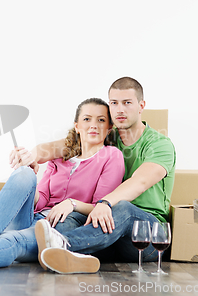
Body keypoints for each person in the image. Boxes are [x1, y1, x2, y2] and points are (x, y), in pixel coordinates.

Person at [0, 97, 124, 271]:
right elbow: (40, 201)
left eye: (101, 120)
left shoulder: (111, 156)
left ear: (108, 128)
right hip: (33, 216)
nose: (93, 125)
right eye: (87, 119)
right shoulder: (61, 158)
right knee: (25, 173)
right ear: (77, 126)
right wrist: (30, 184)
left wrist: (71, 203)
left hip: (57, 227)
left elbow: (101, 208)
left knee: (13, 240)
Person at [10, 77, 176, 274]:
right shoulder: (105, 137)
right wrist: (31, 156)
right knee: (66, 218)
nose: (120, 110)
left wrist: (104, 203)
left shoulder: (159, 144)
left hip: (145, 236)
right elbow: (57, 147)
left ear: (141, 106)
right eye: (114, 103)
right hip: (104, 230)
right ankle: (72, 258)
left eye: (127, 103)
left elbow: (139, 182)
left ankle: (60, 247)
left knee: (124, 208)